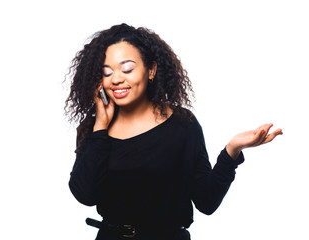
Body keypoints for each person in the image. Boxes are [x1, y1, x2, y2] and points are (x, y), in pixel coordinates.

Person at [64, 23, 283, 240]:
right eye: (107, 72)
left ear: (151, 70)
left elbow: (206, 202)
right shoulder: (93, 129)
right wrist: (100, 126)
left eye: (127, 69)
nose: (116, 79)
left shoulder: (182, 124)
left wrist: (232, 151)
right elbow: (85, 194)